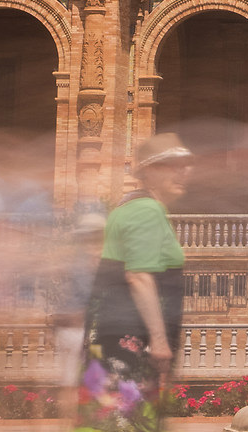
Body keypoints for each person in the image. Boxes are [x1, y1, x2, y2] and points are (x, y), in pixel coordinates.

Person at [73, 133, 193, 432]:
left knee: (106, 418)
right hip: (130, 341)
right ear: (149, 172)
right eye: (172, 166)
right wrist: (161, 341)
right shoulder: (147, 210)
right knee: (127, 420)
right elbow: (139, 276)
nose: (183, 173)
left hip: (113, 334)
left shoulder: (129, 206)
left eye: (185, 165)